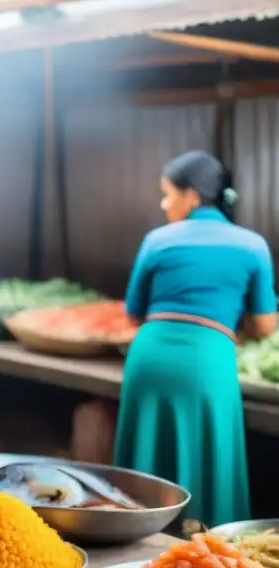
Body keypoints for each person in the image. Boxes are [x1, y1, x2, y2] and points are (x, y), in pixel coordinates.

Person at [115, 150, 276, 527]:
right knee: (210, 453)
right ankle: (209, 553)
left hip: (149, 355)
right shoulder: (252, 244)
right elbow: (266, 325)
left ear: (192, 196)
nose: (164, 203)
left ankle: (136, 541)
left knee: (146, 452)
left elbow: (133, 312)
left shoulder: (157, 239)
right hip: (208, 359)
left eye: (168, 194)